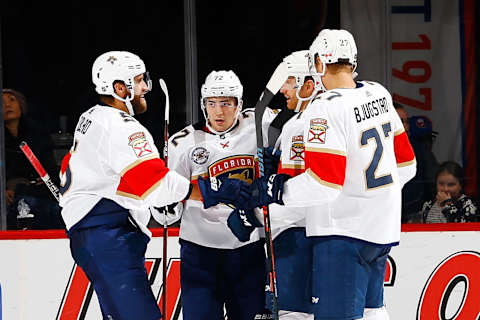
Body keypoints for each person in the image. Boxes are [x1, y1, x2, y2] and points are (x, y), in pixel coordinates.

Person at [242, 29, 417, 320]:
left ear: (320, 62)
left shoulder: (324, 109)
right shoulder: (380, 93)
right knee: (374, 312)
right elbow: (408, 165)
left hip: (343, 235)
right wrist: (370, 197)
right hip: (381, 231)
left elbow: (324, 184)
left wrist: (278, 190)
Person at [59, 51, 242, 320]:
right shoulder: (121, 127)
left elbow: (120, 178)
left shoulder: (92, 116)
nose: (146, 86)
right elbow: (155, 184)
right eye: (139, 80)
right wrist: (209, 191)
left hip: (93, 232)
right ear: (119, 88)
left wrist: (154, 198)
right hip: (107, 233)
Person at [166, 70, 275, 320]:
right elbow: (170, 206)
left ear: (239, 104)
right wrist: (167, 206)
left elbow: (291, 123)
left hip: (248, 248)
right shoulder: (182, 143)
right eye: (211, 103)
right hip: (200, 252)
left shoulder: (260, 124)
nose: (218, 111)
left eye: (226, 103)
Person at [3, 88, 63, 230]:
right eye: (1, 102)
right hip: (9, 199)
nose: (7, 105)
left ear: (21, 105)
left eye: (12, 100)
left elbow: (50, 172)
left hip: (39, 194)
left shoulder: (38, 134)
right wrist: (3, 191)